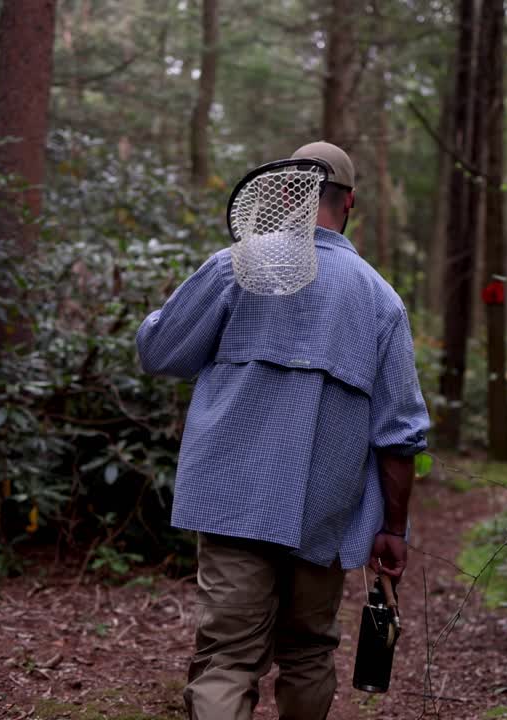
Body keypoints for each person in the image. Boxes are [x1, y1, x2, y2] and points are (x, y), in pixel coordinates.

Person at [136, 141, 429, 720]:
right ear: (348, 202)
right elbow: (400, 435)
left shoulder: (233, 266)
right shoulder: (381, 301)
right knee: (308, 654)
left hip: (229, 499)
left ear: (285, 194)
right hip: (325, 511)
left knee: (227, 658)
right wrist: (394, 528)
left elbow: (159, 351)